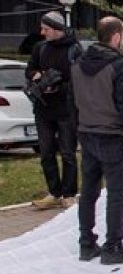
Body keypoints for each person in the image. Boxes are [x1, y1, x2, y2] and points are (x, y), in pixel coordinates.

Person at [70, 17, 123, 264]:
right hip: (112, 136)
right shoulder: (118, 65)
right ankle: (113, 247)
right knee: (117, 193)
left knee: (89, 192)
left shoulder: (77, 63)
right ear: (116, 36)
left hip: (87, 133)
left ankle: (86, 245)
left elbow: (71, 102)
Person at [25, 11, 83, 210]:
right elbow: (29, 69)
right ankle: (54, 192)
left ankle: (69, 194)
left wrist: (60, 82)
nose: (42, 33)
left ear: (57, 29)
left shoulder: (74, 49)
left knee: (67, 153)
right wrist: (39, 76)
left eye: (46, 29)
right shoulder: (40, 48)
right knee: (46, 153)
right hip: (43, 108)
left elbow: (80, 77)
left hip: (66, 109)